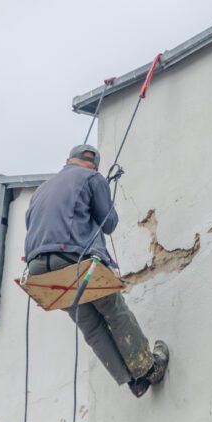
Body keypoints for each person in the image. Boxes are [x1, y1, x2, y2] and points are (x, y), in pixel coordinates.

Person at [24, 144, 169, 397]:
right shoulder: (93, 177)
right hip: (73, 258)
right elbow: (109, 223)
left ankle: (131, 380)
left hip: (39, 270)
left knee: (90, 326)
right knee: (114, 311)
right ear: (96, 165)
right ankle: (146, 368)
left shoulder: (40, 190)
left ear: (67, 160)